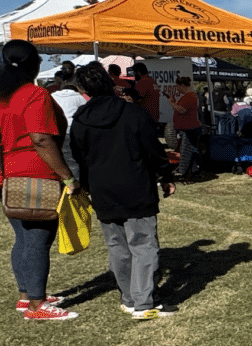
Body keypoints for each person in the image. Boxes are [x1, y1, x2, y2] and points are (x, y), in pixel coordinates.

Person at [71, 62, 177, 319]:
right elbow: (153, 150)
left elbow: (78, 158)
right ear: (110, 83)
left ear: (84, 90)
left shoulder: (80, 121)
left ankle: (130, 298)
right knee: (143, 245)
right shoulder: (133, 113)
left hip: (102, 189)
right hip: (135, 186)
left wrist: (85, 186)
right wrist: (165, 175)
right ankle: (143, 302)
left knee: (117, 246)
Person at [0, 40, 80, 320]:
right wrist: (68, 177)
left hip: (8, 172)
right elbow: (41, 139)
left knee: (22, 237)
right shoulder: (34, 94)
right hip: (36, 173)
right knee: (37, 239)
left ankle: (27, 296)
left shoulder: (4, 96)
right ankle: (37, 304)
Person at [51, 64, 88, 179]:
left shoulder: (52, 96)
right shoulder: (81, 98)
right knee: (73, 161)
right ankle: (75, 183)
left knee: (59, 159)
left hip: (56, 131)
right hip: (73, 131)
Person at [168, 77, 203, 181]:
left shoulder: (189, 96)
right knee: (190, 150)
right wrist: (174, 103)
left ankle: (183, 172)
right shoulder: (189, 96)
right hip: (189, 128)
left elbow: (182, 110)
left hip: (190, 128)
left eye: (178, 87)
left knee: (186, 151)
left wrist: (171, 103)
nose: (178, 89)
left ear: (182, 85)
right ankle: (193, 171)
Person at [129, 62, 161, 133]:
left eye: (134, 72)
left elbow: (137, 99)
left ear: (138, 72)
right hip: (153, 117)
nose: (134, 75)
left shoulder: (143, 82)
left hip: (145, 119)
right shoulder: (152, 81)